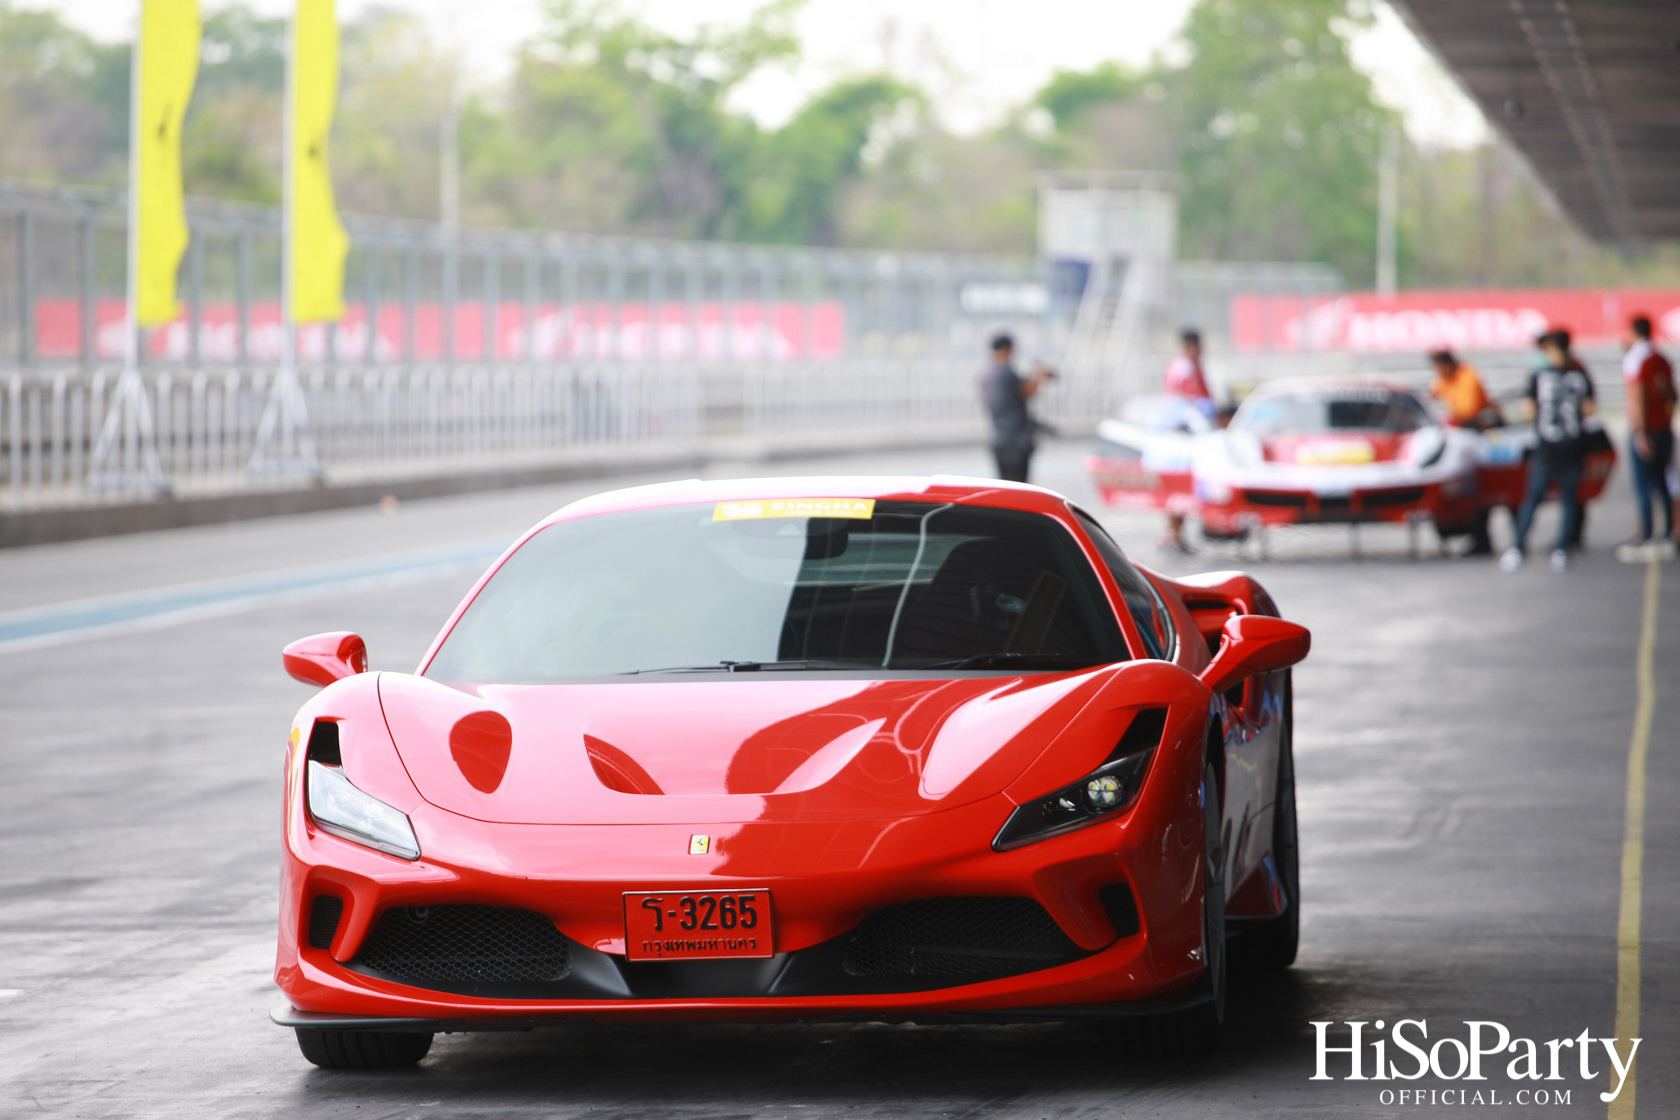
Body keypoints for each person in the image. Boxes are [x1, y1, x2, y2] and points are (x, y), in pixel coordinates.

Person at [1501, 330, 1596, 573]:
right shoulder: (1580, 375)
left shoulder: (1540, 376)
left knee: (1534, 499)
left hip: (1547, 448)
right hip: (1572, 446)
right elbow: (1589, 409)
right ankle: (1561, 549)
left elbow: (1529, 410)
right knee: (1567, 501)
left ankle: (1519, 547)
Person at [1615, 314, 1677, 561]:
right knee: (1662, 483)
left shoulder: (1638, 359)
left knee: (1644, 486)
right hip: (1663, 429)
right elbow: (1671, 395)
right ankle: (1668, 534)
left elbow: (1637, 396)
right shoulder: (1661, 358)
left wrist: (1640, 433)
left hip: (1647, 430)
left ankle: (1648, 536)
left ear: (1635, 332)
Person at [1161, 329, 1216, 553]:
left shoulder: (1182, 366)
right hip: (1184, 438)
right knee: (1182, 485)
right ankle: (1174, 534)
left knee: (1183, 487)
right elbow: (1195, 403)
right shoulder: (1185, 368)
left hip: (1182, 435)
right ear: (1192, 346)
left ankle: (1175, 533)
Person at [979, 332, 1053, 483]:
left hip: (999, 438)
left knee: (1006, 485)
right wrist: (1039, 376)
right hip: (1015, 442)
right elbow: (1028, 390)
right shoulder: (1006, 373)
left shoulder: (987, 374)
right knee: (1019, 487)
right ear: (1007, 349)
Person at [1428, 349, 1500, 429]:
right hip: (1462, 423)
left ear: (1447, 365)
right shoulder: (1443, 379)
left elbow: (1469, 410)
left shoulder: (1467, 376)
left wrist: (1452, 416)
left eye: (1438, 368)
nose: (1437, 372)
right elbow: (1431, 396)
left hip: (1477, 424)